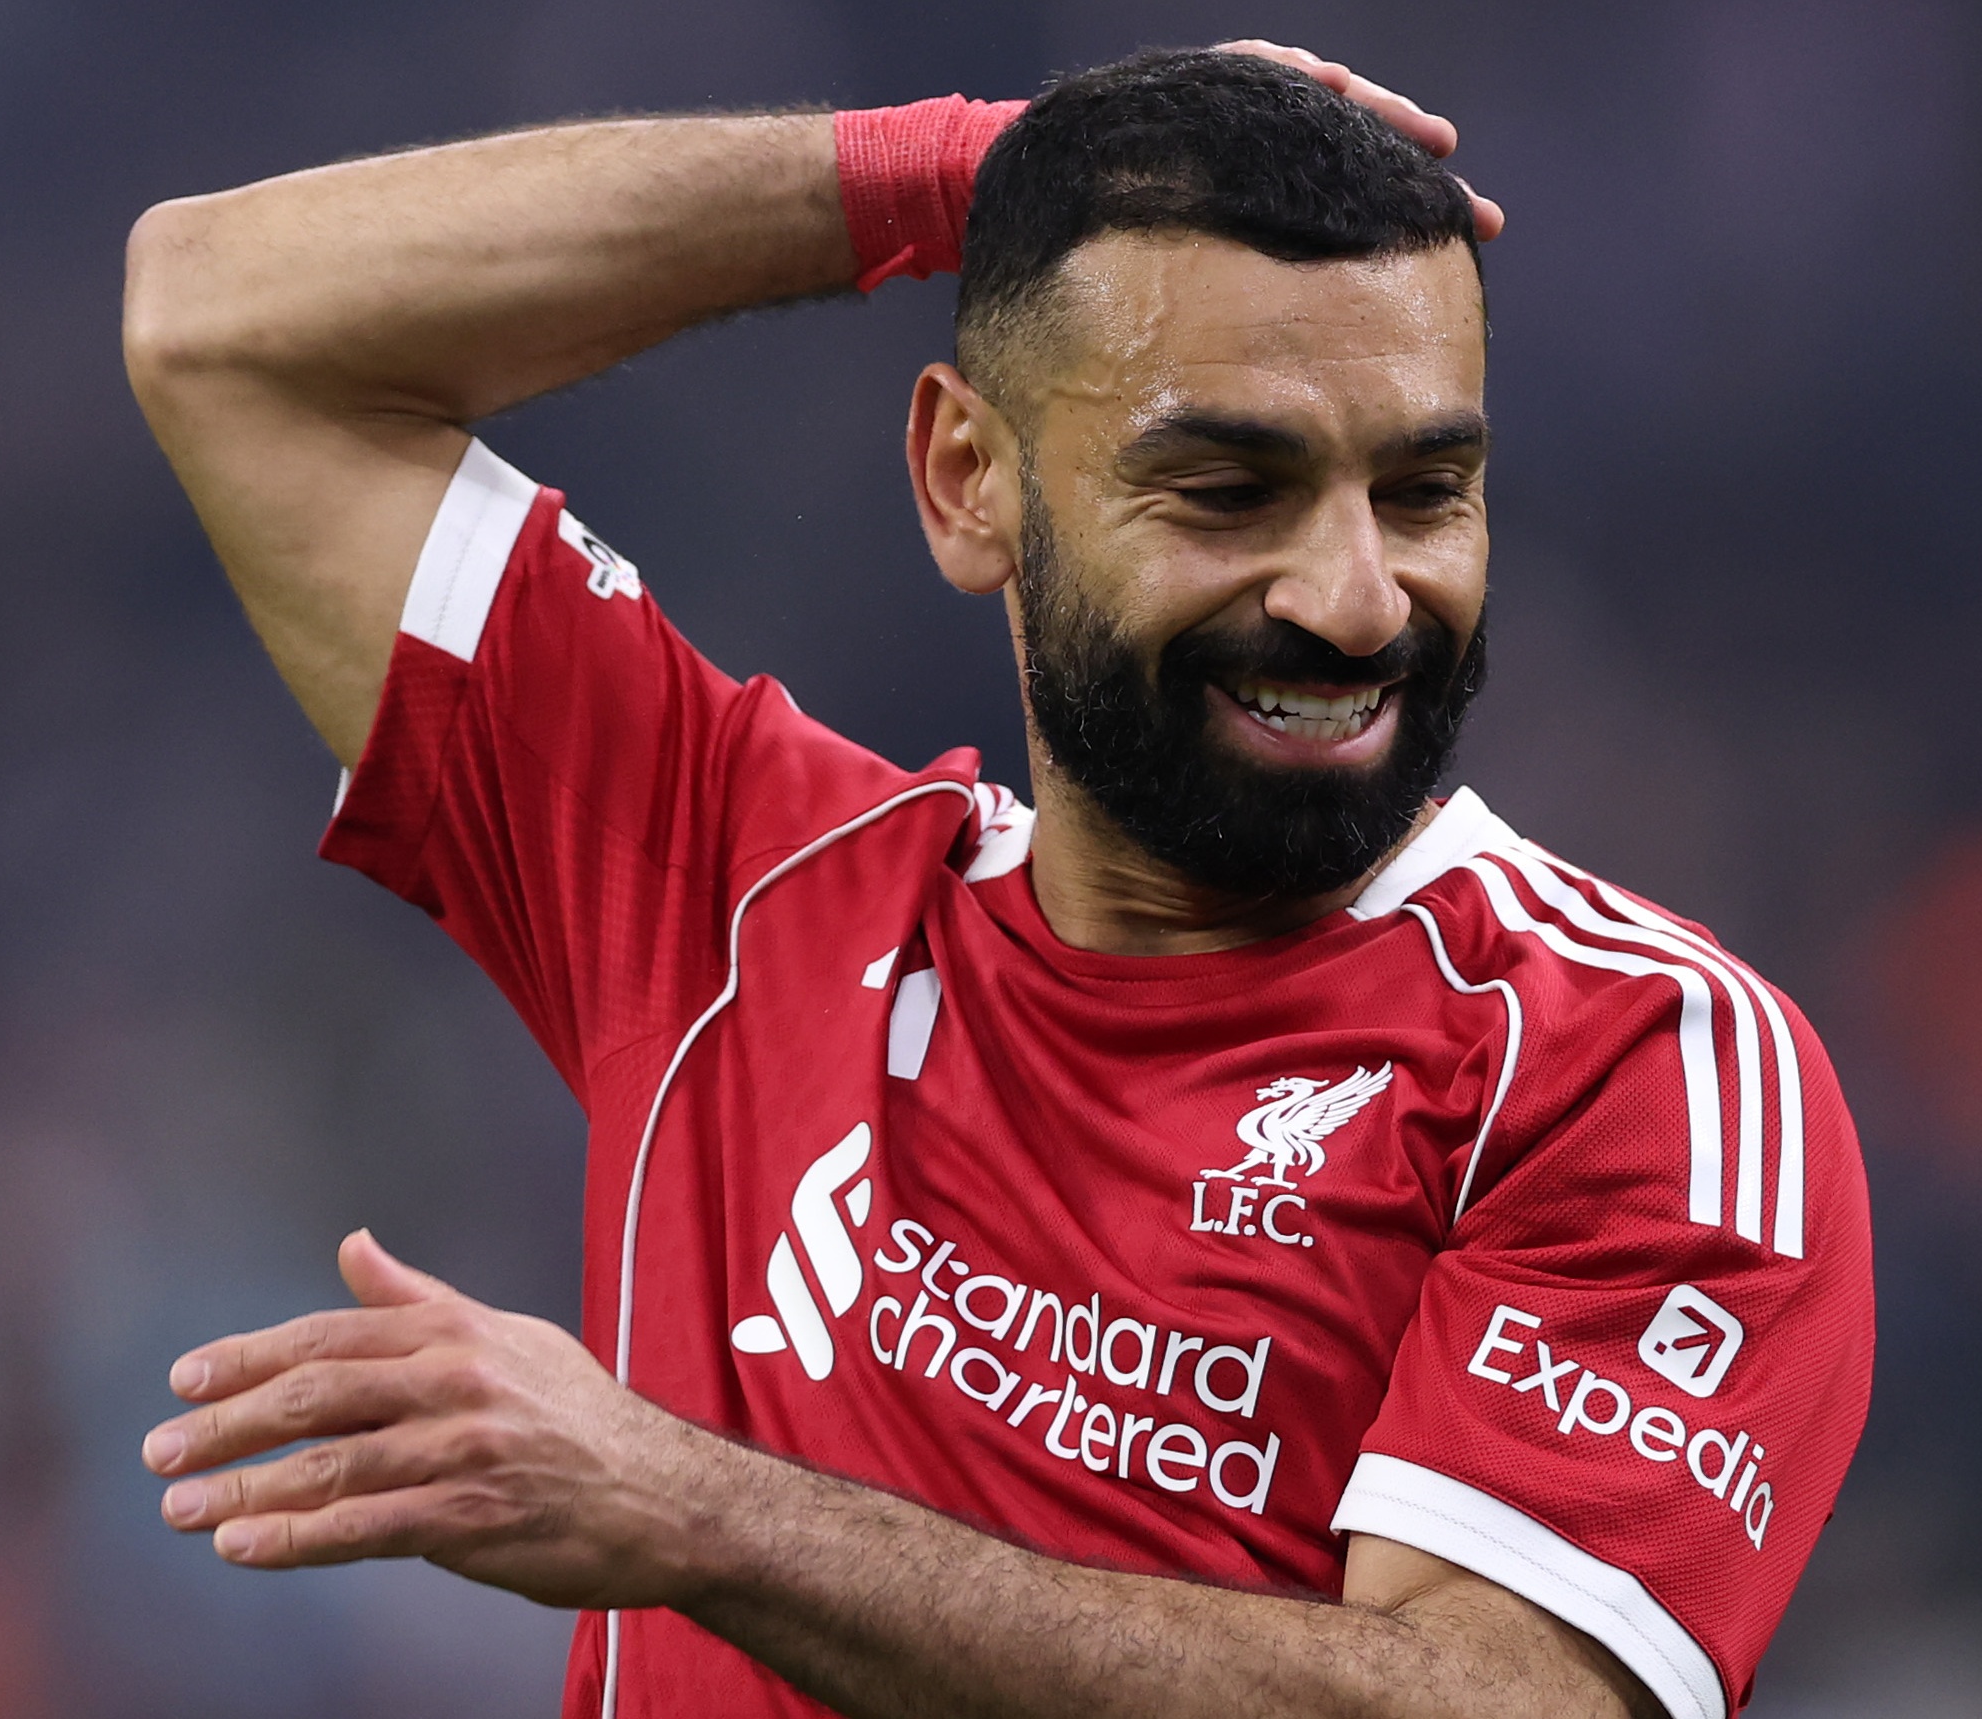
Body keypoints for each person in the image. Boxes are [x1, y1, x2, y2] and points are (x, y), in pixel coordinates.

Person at [120, 40, 1871, 1719]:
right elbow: (224, 319)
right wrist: (955, 169)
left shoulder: (1629, 1060)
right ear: (970, 482)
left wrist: (694, 1511)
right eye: (1227, 488)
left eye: (1424, 491)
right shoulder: (742, 886)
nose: (1354, 598)